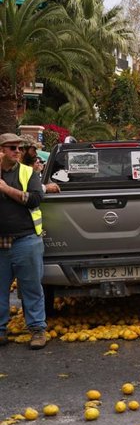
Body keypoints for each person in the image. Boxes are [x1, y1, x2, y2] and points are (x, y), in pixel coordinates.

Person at [0, 133, 47, 350]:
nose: (17, 151)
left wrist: (6, 189)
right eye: (12, 148)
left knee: (31, 287)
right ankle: (1, 331)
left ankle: (37, 330)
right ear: (1, 150)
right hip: (1, 243)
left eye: (19, 148)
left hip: (26, 239)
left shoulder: (27, 172)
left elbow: (35, 198)